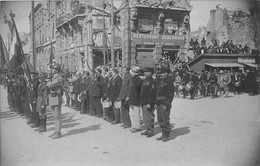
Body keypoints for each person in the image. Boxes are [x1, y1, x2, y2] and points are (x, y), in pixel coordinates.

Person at [154, 67, 174, 142]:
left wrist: (167, 104)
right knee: (160, 119)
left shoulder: (169, 81)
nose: (161, 74)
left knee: (165, 119)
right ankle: (163, 133)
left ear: (166, 73)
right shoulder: (159, 80)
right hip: (158, 103)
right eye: (160, 73)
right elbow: (156, 92)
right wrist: (155, 102)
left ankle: (167, 135)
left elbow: (170, 94)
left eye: (162, 73)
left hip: (164, 103)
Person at [47, 63, 64, 139]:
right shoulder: (53, 77)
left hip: (57, 97)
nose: (52, 70)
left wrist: (49, 82)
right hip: (53, 97)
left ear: (57, 70)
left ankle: (58, 132)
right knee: (54, 116)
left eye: (53, 69)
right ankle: (56, 131)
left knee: (57, 116)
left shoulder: (59, 78)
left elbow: (50, 84)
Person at [140, 67, 156, 137]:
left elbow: (152, 93)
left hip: (148, 102)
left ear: (150, 73)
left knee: (149, 117)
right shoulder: (145, 80)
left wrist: (150, 102)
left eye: (146, 72)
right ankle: (147, 129)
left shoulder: (152, 81)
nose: (145, 73)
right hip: (144, 101)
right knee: (145, 117)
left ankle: (150, 130)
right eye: (144, 72)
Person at [128, 66, 143, 133]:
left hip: (136, 98)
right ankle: (133, 125)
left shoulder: (138, 79)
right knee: (131, 113)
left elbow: (136, 85)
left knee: (136, 113)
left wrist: (134, 77)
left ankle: (137, 127)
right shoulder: (134, 78)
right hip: (132, 98)